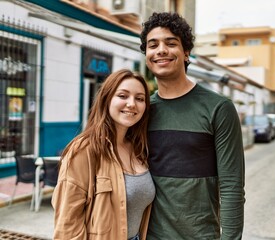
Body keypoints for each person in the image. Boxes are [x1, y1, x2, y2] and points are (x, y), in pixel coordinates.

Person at [140, 12, 245, 239]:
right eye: (153, 45)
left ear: (186, 53)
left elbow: (232, 187)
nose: (161, 50)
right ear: (147, 55)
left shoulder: (219, 108)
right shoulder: (142, 111)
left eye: (171, 43)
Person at [51, 69, 155, 240]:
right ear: (106, 99)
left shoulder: (138, 149)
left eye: (140, 98)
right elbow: (67, 225)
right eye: (123, 96)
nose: (132, 104)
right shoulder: (84, 150)